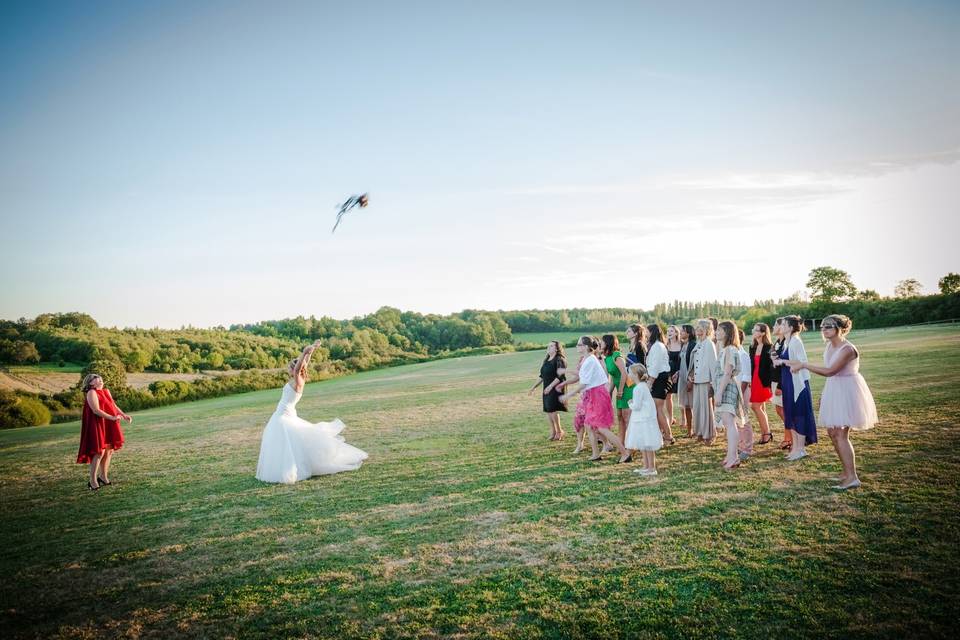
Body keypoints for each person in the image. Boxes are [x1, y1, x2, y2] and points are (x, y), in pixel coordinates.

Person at [783, 314, 878, 490]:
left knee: (841, 434)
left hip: (848, 391)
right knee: (832, 432)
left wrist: (803, 364)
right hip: (835, 389)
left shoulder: (848, 349)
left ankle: (852, 477)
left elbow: (830, 371)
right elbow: (831, 376)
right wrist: (826, 396)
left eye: (829, 326)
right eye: (823, 327)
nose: (824, 329)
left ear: (840, 328)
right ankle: (845, 472)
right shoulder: (829, 346)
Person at [256, 341, 368, 483]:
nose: (289, 370)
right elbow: (304, 364)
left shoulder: (299, 380)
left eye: (291, 368)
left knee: (287, 442)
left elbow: (299, 369)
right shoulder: (296, 378)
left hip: (284, 415)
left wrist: (304, 352)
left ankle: (290, 469)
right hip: (283, 414)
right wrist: (311, 351)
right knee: (288, 443)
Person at [559, 336, 631, 463]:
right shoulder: (587, 360)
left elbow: (583, 384)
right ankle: (595, 454)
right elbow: (581, 375)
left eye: (579, 344)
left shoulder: (590, 361)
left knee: (602, 427)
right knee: (588, 425)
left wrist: (568, 395)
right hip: (593, 394)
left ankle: (625, 453)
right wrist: (565, 372)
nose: (577, 346)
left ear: (586, 347)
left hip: (598, 395)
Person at [772, 316, 817, 461]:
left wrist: (782, 361)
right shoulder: (787, 342)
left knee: (799, 414)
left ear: (790, 327)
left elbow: (801, 361)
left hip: (797, 383)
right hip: (788, 381)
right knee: (790, 414)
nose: (781, 326)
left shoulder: (796, 341)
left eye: (784, 324)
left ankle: (801, 449)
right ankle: (795, 448)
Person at [77, 373, 132, 490]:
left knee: (109, 451)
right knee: (99, 452)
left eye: (101, 379)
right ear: (90, 383)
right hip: (97, 423)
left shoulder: (106, 391)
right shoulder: (91, 393)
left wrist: (123, 414)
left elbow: (113, 405)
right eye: (97, 380)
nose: (101, 381)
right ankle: (92, 481)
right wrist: (112, 417)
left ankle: (103, 476)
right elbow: (96, 410)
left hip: (108, 423)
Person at [714, 322, 749, 469]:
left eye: (719, 330)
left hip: (727, 387)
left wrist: (719, 393)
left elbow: (728, 373)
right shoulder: (724, 349)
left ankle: (734, 457)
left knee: (730, 423)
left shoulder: (730, 350)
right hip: (724, 385)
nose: (716, 332)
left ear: (727, 332)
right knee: (729, 424)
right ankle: (730, 455)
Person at [623, 364, 662, 476]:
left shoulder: (638, 388)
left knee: (647, 444)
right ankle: (646, 466)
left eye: (630, 372)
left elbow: (637, 406)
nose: (628, 374)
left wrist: (630, 403)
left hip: (644, 419)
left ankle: (652, 468)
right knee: (643, 444)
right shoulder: (643, 386)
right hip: (642, 418)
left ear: (635, 375)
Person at [528, 341, 568, 441]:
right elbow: (542, 376)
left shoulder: (560, 360)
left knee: (552, 409)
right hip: (546, 387)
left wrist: (550, 387)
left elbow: (561, 377)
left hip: (555, 387)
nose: (548, 347)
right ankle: (553, 431)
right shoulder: (546, 360)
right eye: (548, 346)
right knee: (548, 410)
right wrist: (533, 387)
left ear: (557, 348)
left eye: (551, 346)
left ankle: (559, 431)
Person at [646, 324, 674, 444]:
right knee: (657, 409)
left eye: (647, 332)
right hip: (659, 378)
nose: (645, 334)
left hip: (659, 379)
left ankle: (668, 436)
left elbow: (656, 366)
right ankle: (661, 434)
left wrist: (650, 383)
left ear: (652, 333)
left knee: (658, 409)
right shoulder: (657, 345)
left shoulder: (657, 346)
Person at [690, 319, 718, 444]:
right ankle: (700, 432)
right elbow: (694, 362)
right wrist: (691, 375)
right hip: (697, 380)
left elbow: (713, 365)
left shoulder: (709, 343)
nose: (698, 331)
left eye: (701, 329)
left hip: (706, 381)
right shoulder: (699, 343)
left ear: (707, 330)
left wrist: (713, 383)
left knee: (706, 408)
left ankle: (709, 434)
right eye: (697, 329)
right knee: (697, 408)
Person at [601, 334, 630, 450]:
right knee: (620, 417)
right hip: (619, 389)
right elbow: (613, 377)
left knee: (627, 417)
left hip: (627, 389)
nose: (600, 344)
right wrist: (610, 391)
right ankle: (621, 443)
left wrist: (621, 390)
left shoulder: (617, 356)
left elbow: (624, 373)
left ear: (608, 343)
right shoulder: (607, 358)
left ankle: (631, 444)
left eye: (602, 342)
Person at [749, 323, 775, 444]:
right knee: (761, 407)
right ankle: (764, 432)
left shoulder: (769, 347)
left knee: (755, 406)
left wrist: (770, 384)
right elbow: (751, 365)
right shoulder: (752, 346)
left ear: (763, 333)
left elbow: (771, 367)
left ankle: (767, 433)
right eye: (753, 329)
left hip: (763, 381)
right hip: (754, 379)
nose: (753, 331)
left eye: (756, 330)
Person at [676, 324, 696, 436]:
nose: (681, 333)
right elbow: (682, 362)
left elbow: (694, 365)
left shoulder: (693, 345)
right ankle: (689, 431)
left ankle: (699, 429)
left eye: (682, 331)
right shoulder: (683, 345)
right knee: (687, 405)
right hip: (682, 377)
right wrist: (677, 373)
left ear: (688, 333)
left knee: (694, 405)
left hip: (690, 378)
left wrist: (691, 380)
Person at [665, 325, 683, 428]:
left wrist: (679, 372)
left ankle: (683, 417)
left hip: (680, 372)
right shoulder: (665, 345)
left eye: (671, 331)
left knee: (681, 396)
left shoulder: (682, 344)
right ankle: (671, 418)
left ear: (676, 333)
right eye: (667, 331)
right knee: (668, 396)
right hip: (668, 373)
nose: (669, 332)